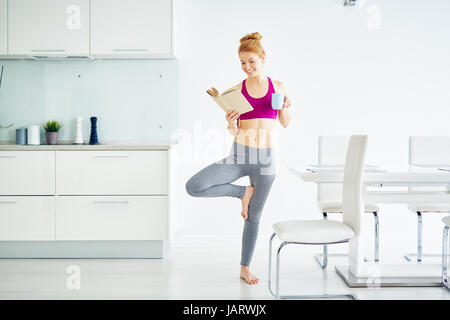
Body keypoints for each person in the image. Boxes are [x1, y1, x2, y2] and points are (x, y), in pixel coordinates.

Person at [185, 32, 292, 285]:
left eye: (252, 61)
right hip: (239, 154)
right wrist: (231, 123)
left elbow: (285, 124)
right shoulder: (235, 90)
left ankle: (245, 268)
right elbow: (234, 131)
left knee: (254, 217)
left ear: (263, 58)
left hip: (266, 159)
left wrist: (286, 109)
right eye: (243, 63)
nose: (247, 67)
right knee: (194, 186)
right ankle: (242, 193)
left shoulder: (278, 87)